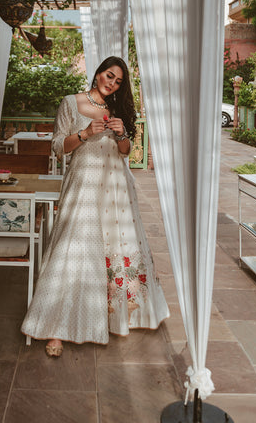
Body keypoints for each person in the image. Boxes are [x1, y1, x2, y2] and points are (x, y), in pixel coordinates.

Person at [21, 56, 169, 356]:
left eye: (117, 81)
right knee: (70, 249)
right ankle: (55, 327)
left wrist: (121, 133)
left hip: (114, 186)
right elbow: (58, 147)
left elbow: (126, 152)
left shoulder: (118, 110)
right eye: (108, 75)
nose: (111, 83)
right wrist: (86, 133)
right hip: (83, 184)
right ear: (98, 72)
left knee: (113, 248)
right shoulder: (71, 102)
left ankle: (118, 317)